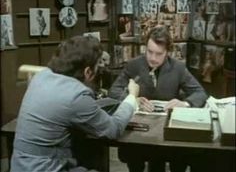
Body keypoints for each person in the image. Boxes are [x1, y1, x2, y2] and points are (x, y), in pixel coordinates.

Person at [10, 35, 140, 172]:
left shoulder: (41, 76)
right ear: (88, 72)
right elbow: (113, 129)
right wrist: (131, 97)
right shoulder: (76, 95)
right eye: (97, 66)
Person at [108, 26, 208, 172]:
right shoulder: (134, 65)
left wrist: (185, 103)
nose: (153, 58)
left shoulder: (178, 68)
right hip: (139, 131)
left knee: (176, 158)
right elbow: (113, 91)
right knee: (134, 157)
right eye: (149, 52)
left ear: (168, 52)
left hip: (166, 130)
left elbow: (200, 93)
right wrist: (133, 99)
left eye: (159, 54)